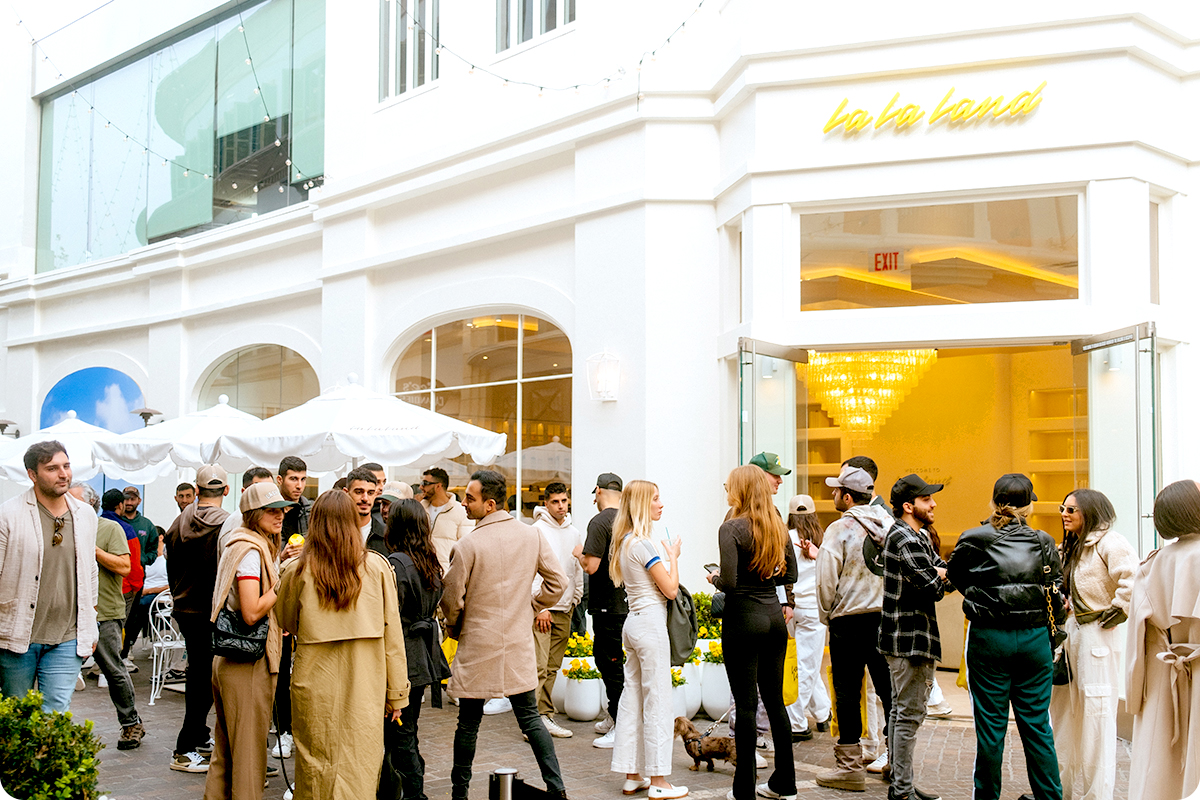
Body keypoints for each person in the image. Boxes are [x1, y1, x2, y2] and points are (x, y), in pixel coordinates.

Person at [440, 469, 568, 800]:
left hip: (477, 643)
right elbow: (559, 583)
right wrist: (531, 605)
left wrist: (455, 625)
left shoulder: (466, 545)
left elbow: (451, 599)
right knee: (531, 719)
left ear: (490, 504)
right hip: (516, 641)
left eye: (470, 497)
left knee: (467, 724)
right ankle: (557, 789)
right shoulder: (532, 536)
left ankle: (459, 794)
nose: (464, 503)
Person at [276, 490, 409, 799]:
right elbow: (393, 635)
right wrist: (397, 693)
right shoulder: (376, 567)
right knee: (359, 766)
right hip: (366, 681)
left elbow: (286, 622)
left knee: (315, 769)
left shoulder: (296, 570)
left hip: (314, 680)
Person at [946, 474, 1064, 800]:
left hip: (989, 638)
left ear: (994, 502)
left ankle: (986, 797)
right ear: (1028, 506)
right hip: (1035, 639)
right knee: (1038, 727)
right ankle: (1050, 798)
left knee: (990, 730)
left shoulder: (974, 538)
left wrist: (978, 593)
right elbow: (1056, 589)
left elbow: (953, 577)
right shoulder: (1044, 541)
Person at [709, 466, 796, 800]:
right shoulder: (777, 526)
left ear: (740, 491)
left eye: (729, 486)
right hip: (774, 617)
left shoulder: (730, 528)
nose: (726, 490)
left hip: (744, 618)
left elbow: (729, 583)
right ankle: (785, 784)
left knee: (745, 705)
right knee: (775, 703)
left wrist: (715, 578)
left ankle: (744, 788)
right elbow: (793, 573)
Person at [203, 481, 291, 800]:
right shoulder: (250, 550)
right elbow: (252, 611)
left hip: (229, 661)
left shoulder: (240, 543)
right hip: (247, 664)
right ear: (254, 514)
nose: (279, 516)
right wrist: (283, 583)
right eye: (271, 510)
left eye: (282, 510)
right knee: (249, 759)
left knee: (225, 755)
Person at [1047, 488, 1135, 800]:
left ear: (1091, 511)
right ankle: (1064, 790)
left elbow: (1131, 578)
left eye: (1072, 509)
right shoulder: (1068, 547)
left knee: (1097, 718)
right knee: (1064, 715)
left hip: (1097, 636)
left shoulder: (1110, 542)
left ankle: (1097, 795)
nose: (1065, 514)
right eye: (1063, 507)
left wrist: (1117, 610)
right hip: (1070, 638)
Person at [0, 441, 98, 714]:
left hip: (67, 636)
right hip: (16, 634)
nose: (63, 474)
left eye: (66, 466)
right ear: (33, 474)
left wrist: (90, 618)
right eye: (52, 468)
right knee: (17, 714)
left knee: (55, 713)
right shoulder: (8, 515)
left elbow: (90, 569)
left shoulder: (85, 514)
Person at [814, 464, 894, 791]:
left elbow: (825, 580)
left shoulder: (839, 528)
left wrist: (826, 616)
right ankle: (897, 760)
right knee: (890, 691)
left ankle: (849, 769)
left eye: (836, 491)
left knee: (847, 692)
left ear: (847, 497)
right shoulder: (891, 524)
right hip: (885, 620)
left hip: (847, 621)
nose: (833, 495)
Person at [1126, 479, 1200, 800]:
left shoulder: (1152, 564)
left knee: (1158, 773)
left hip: (1163, 678)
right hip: (1189, 671)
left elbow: (1136, 638)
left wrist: (1135, 694)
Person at [879, 475, 949, 800]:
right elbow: (935, 586)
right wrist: (938, 573)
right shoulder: (904, 538)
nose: (933, 504)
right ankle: (902, 789)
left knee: (899, 711)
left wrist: (939, 572)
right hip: (909, 640)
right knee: (908, 714)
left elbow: (942, 571)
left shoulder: (915, 536)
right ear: (909, 506)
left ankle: (900, 782)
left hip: (908, 638)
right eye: (926, 500)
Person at [383, 497, 451, 800]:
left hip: (405, 656)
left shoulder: (396, 563)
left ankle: (413, 794)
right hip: (424, 655)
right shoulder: (428, 559)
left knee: (400, 735)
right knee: (406, 731)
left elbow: (390, 616)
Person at [166, 464, 231, 773]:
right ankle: (184, 747)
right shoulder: (227, 524)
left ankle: (200, 736)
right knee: (206, 679)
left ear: (197, 488)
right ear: (226, 491)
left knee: (200, 674)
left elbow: (170, 567)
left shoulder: (178, 523)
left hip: (184, 607)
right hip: (213, 611)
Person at [72, 482, 145, 750]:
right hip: (69, 612)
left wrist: (93, 549)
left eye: (75, 501)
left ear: (90, 505)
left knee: (113, 669)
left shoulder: (110, 528)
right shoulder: (62, 528)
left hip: (104, 611)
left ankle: (131, 723)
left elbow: (126, 566)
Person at [574, 471, 627, 747]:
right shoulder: (631, 518)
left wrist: (579, 554)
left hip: (607, 605)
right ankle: (613, 714)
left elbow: (591, 566)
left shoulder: (600, 521)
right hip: (629, 603)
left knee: (609, 663)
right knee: (619, 663)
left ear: (598, 491)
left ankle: (619, 723)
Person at [531, 481, 584, 738]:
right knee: (538, 666)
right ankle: (536, 720)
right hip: (544, 608)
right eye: (555, 502)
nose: (561, 506)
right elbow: (531, 569)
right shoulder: (537, 530)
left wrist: (576, 597)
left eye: (564, 501)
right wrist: (540, 606)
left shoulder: (574, 532)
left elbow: (577, 566)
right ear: (546, 503)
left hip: (566, 607)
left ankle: (544, 715)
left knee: (552, 666)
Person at [783, 494, 831, 741]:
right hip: (814, 609)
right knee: (806, 666)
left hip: (791, 607)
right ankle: (796, 722)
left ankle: (823, 713)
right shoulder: (822, 541)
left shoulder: (784, 539)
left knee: (804, 662)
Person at [123, 533, 168, 660]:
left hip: (159, 594)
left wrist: (149, 591)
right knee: (133, 606)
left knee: (141, 606)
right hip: (143, 591)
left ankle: (130, 642)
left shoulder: (166, 559)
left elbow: (171, 584)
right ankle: (126, 643)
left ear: (160, 537)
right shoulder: (148, 559)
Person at [420, 467, 473, 573]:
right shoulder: (419, 509)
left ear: (438, 486)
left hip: (446, 574)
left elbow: (466, 548)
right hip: (422, 573)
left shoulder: (461, 511)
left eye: (425, 483)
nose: (421, 487)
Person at [344, 466, 387, 557]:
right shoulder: (333, 531)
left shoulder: (386, 535)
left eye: (370, 493)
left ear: (376, 494)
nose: (365, 498)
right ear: (346, 493)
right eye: (359, 492)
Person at [121, 486, 159, 566]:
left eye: (132, 499)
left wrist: (142, 560)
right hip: (117, 572)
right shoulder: (115, 522)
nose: (129, 503)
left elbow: (153, 550)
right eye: (126, 499)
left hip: (138, 573)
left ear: (139, 501)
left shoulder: (147, 525)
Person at [278, 456, 312, 540]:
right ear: (280, 480)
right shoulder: (269, 510)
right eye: (293, 479)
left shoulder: (312, 511)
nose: (299, 486)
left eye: (303, 479)